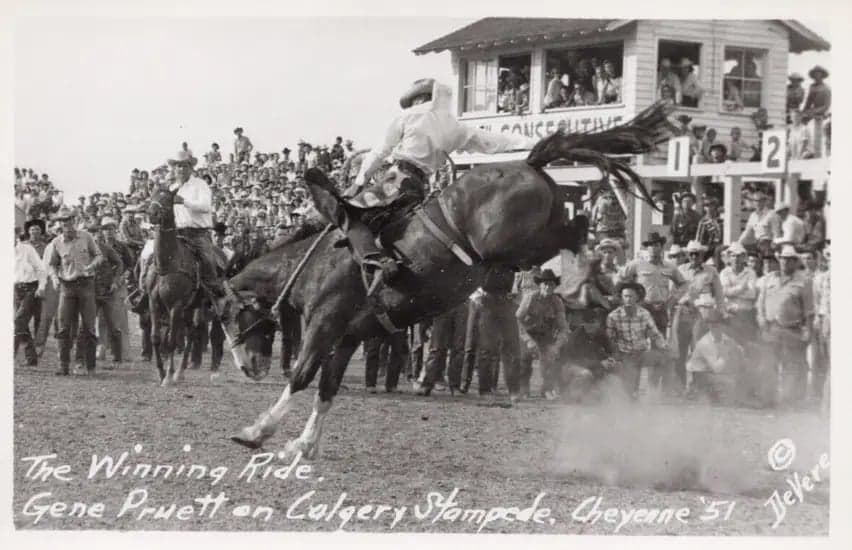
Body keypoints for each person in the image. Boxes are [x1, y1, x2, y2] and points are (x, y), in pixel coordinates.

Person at [340, 79, 538, 289]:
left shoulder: (409, 116)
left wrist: (358, 182)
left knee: (349, 213)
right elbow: (494, 142)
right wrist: (532, 143)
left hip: (397, 179)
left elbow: (380, 151)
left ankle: (375, 260)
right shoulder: (455, 126)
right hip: (420, 187)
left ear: (420, 98)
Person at [47, 205, 104, 375]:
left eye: (70, 221)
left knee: (89, 327)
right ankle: (63, 366)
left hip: (86, 285)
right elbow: (52, 265)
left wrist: (91, 266)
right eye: (64, 222)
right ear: (60, 225)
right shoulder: (56, 242)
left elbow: (99, 255)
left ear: (75, 221)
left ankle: (91, 367)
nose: (68, 225)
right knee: (63, 327)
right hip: (67, 287)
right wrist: (55, 279)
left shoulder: (86, 237)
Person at [756, 245, 814, 408]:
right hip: (771, 328)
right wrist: (761, 321)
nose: (785, 262)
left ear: (796, 262)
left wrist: (808, 330)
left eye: (789, 259)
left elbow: (809, 310)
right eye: (783, 258)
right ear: (778, 259)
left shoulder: (804, 281)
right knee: (768, 365)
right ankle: (768, 399)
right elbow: (760, 304)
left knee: (792, 367)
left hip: (792, 329)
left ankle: (790, 401)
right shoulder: (769, 279)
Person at [167, 150, 226, 303]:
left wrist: (184, 201)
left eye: (184, 166)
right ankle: (143, 290)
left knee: (208, 259)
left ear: (190, 167)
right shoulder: (172, 188)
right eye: (177, 166)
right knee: (152, 255)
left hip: (197, 234)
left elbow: (206, 207)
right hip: (176, 233)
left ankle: (213, 294)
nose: (180, 169)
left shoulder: (200, 185)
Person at [606, 282, 669, 398]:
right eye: (625, 296)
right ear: (621, 298)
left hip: (642, 353)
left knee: (663, 359)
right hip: (625, 354)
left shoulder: (644, 314)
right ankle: (629, 392)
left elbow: (655, 334)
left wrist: (663, 346)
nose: (628, 299)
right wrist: (616, 356)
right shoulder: (613, 316)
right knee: (629, 393)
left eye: (631, 296)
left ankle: (654, 390)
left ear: (637, 298)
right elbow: (610, 339)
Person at [516, 269, 569, 400]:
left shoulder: (557, 302)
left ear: (555, 287)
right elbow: (518, 319)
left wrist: (557, 345)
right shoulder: (530, 298)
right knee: (524, 357)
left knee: (551, 357)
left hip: (545, 335)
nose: (548, 287)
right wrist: (528, 340)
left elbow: (563, 327)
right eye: (545, 284)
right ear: (540, 285)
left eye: (551, 284)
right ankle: (523, 389)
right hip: (527, 333)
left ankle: (547, 389)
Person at [472, 264, 523, 403]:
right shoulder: (486, 253)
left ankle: (514, 390)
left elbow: (520, 279)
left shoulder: (513, 258)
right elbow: (474, 277)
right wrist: (478, 299)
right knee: (487, 348)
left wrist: (515, 302)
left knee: (513, 347)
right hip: (488, 303)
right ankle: (485, 390)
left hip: (507, 303)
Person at [619, 231, 686, 335]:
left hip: (661, 309)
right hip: (643, 307)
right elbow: (620, 278)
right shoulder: (637, 264)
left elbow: (683, 284)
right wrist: (628, 298)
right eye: (650, 245)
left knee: (660, 343)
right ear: (647, 248)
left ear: (661, 247)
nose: (653, 248)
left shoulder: (669, 267)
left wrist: (672, 300)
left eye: (656, 245)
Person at [684, 309, 745, 403]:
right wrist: (726, 353)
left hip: (710, 374)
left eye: (718, 324)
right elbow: (717, 368)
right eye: (712, 324)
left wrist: (738, 351)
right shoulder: (705, 343)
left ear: (723, 325)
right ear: (708, 326)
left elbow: (739, 351)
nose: (715, 327)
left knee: (738, 376)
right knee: (730, 382)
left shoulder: (724, 338)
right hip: (699, 377)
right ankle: (695, 393)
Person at [86, 222, 124, 366]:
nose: (94, 236)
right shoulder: (82, 248)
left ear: (99, 234)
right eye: (90, 233)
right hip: (89, 292)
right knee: (87, 325)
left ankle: (117, 358)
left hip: (107, 291)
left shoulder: (106, 248)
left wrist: (115, 281)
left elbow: (119, 264)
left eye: (96, 233)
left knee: (113, 325)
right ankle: (87, 358)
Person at [415, 302, 468, 395]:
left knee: (458, 349)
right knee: (436, 347)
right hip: (443, 305)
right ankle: (427, 384)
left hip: (461, 304)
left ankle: (455, 386)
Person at [15, 227, 46, 366]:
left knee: (17, 322)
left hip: (31, 289)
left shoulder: (27, 249)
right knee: (23, 325)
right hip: (15, 289)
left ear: (16, 235)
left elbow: (41, 269)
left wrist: (41, 287)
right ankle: (31, 357)